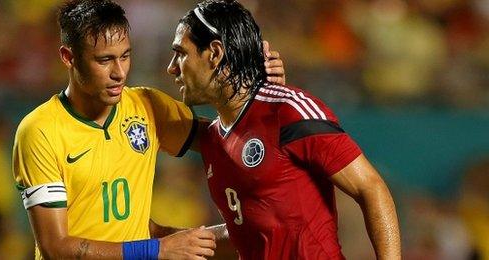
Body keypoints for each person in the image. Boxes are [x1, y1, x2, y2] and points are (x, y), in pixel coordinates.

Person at [11, 0, 286, 259]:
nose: (119, 72)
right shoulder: (40, 130)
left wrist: (260, 92)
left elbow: (230, 139)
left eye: (125, 56)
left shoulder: (147, 106)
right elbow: (55, 247)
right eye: (104, 60)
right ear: (69, 57)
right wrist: (155, 250)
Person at [166, 0, 401, 259]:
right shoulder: (213, 139)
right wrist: (167, 238)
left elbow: (371, 188)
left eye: (181, 53)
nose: (172, 67)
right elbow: (250, 232)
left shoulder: (288, 111)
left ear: (215, 53)